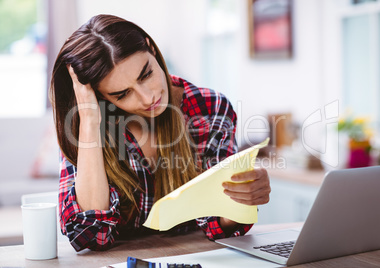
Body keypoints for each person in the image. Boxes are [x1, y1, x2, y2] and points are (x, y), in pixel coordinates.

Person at [50, 14, 271, 252]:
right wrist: (90, 123)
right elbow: (91, 236)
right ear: (100, 96)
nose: (148, 98)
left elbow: (218, 223)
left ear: (152, 49)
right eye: (122, 94)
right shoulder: (85, 125)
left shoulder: (210, 108)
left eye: (146, 74)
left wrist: (241, 199)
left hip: (192, 255)